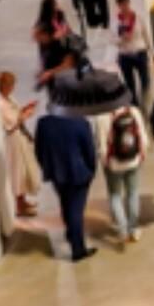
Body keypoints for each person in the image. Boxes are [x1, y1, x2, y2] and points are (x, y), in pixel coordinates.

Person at [34, 103, 99, 261]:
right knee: (76, 210)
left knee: (65, 203)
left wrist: (48, 167)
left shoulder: (43, 124)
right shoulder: (81, 122)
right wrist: (91, 170)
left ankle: (71, 234)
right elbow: (90, 151)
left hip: (57, 173)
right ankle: (78, 250)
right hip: (79, 173)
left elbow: (38, 150)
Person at [100, 94, 149, 246]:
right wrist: (142, 156)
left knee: (115, 195)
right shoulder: (133, 111)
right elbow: (143, 136)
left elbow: (102, 145)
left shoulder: (103, 117)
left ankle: (122, 230)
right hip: (133, 161)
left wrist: (105, 163)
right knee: (133, 193)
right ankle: (133, 229)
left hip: (114, 164)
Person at [0, 73, 40, 221]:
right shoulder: (0, 103)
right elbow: (10, 124)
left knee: (23, 169)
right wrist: (24, 115)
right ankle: (19, 205)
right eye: (11, 85)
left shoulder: (9, 99)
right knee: (18, 171)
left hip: (19, 136)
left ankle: (23, 201)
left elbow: (16, 114)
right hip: (13, 139)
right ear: (4, 85)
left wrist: (24, 110)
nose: (13, 87)